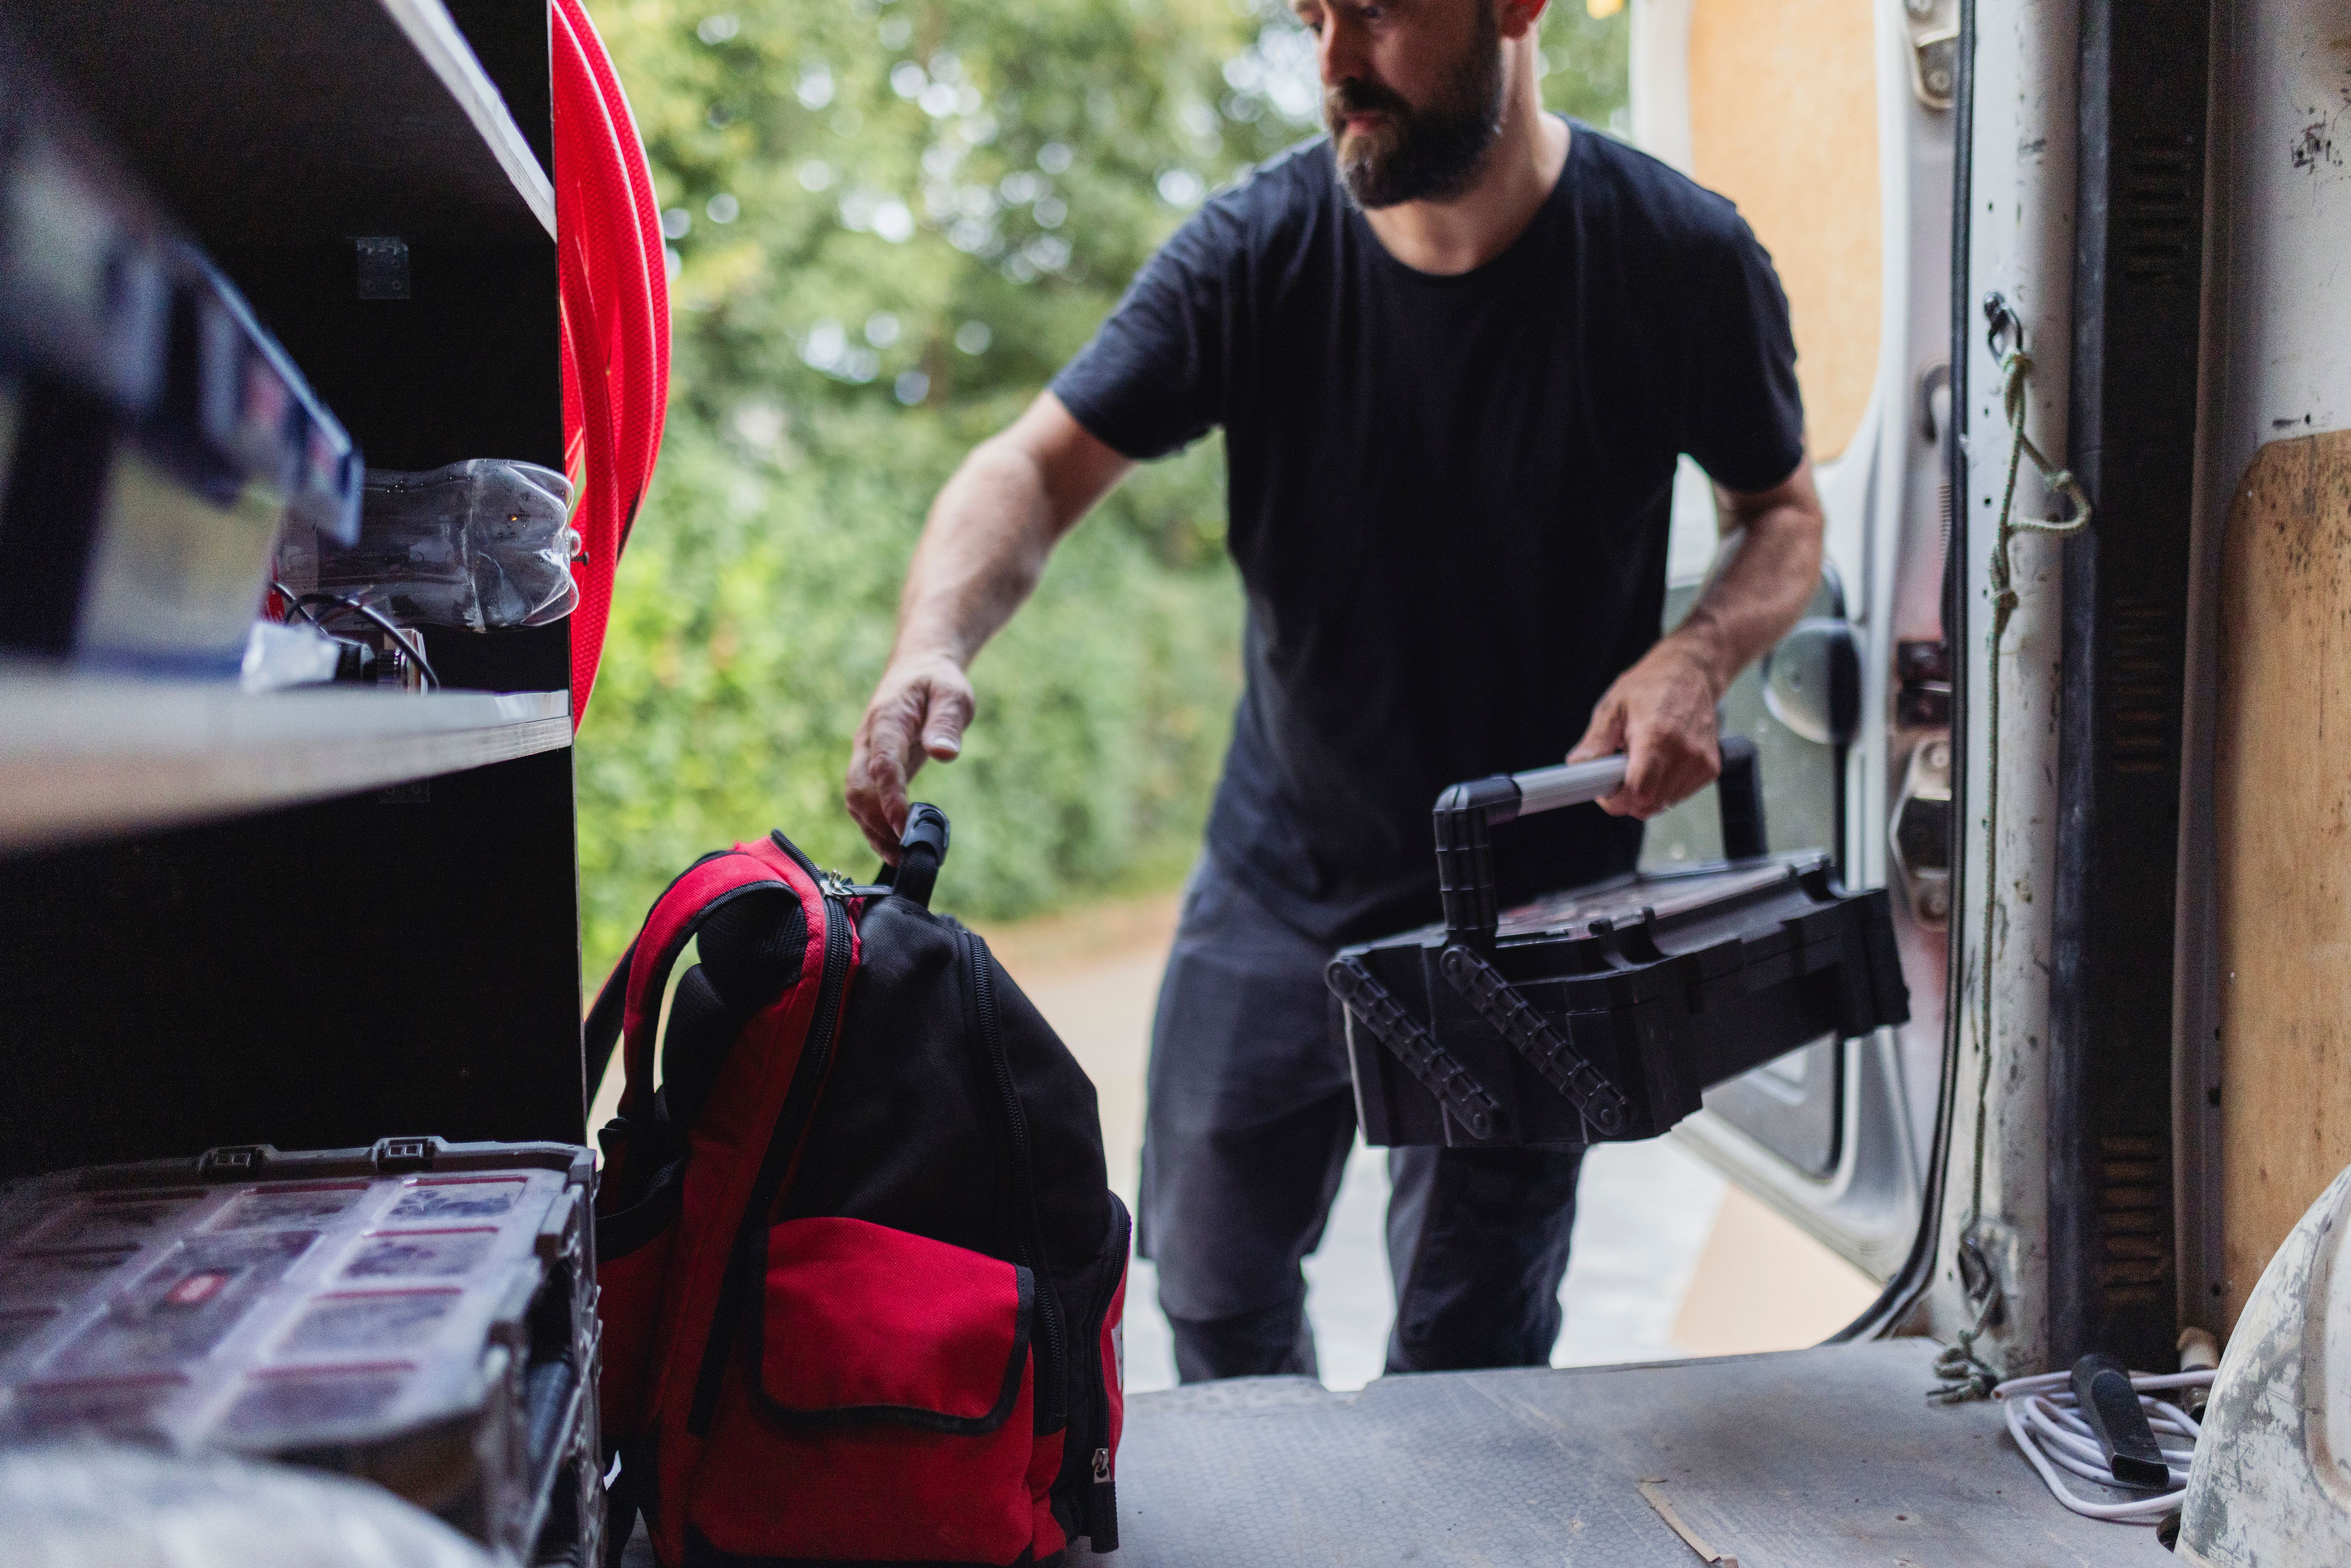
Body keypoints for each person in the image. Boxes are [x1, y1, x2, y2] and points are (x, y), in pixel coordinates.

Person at [845, 0, 1824, 1382]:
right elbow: (1031, 469)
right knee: (1211, 1291)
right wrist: (930, 640)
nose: (1331, 63)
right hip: (1280, 874)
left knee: (1471, 1351)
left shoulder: (1682, 256)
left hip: (1531, 909)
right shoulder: (1252, 253)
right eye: (1310, 14)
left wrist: (1697, 652)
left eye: (1375, 9)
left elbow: (1781, 513)